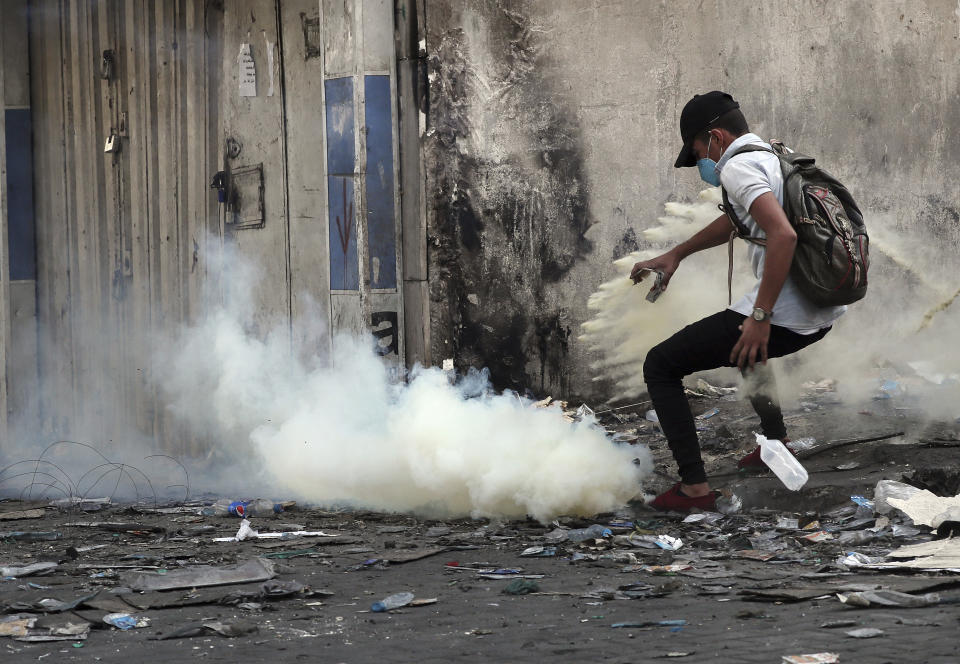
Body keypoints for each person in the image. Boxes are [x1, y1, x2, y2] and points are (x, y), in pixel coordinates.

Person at [631, 91, 846, 512]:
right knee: (746, 348)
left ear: (714, 136)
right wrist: (677, 253)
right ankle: (776, 442)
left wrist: (761, 316)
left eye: (696, 153)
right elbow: (739, 218)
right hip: (821, 301)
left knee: (660, 364)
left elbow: (782, 235)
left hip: (788, 309)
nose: (700, 166)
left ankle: (694, 489)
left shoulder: (738, 166)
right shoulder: (770, 155)